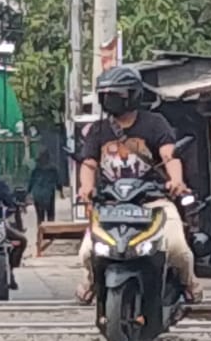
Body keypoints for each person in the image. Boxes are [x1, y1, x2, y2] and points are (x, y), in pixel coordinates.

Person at [75, 65, 198, 303]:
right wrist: (86, 188)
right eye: (106, 95)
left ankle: (189, 283)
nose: (110, 100)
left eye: (116, 95)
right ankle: (90, 281)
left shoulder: (155, 123)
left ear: (133, 95)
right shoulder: (99, 129)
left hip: (154, 202)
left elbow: (170, 157)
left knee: (177, 248)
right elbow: (88, 164)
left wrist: (176, 181)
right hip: (111, 206)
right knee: (87, 252)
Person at [27, 149, 61, 228]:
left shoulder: (36, 170)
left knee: (40, 217)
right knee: (50, 215)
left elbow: (31, 182)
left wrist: (28, 192)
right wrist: (60, 190)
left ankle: (40, 236)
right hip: (49, 195)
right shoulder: (53, 169)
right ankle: (50, 234)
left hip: (38, 195)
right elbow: (58, 182)